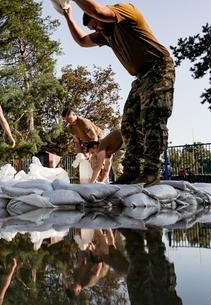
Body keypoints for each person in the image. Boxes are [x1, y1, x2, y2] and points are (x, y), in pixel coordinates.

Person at [62, 1, 175, 185]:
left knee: (151, 117)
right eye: (93, 27)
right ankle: (132, 170)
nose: (97, 29)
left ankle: (151, 171)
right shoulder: (106, 35)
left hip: (159, 68)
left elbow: (99, 11)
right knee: (129, 124)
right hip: (140, 78)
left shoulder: (124, 12)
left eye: (96, 24)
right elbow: (82, 40)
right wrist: (68, 16)